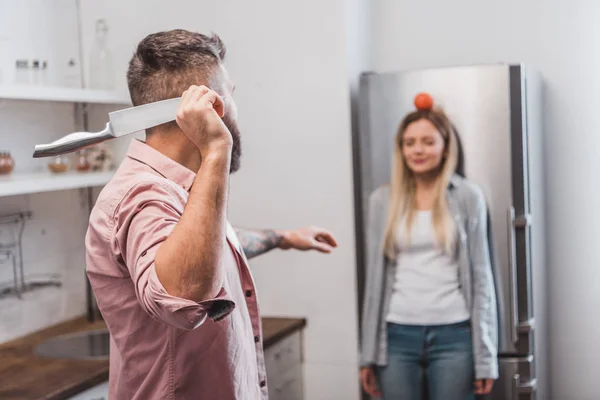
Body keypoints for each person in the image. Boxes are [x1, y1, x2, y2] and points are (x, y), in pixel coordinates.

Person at [85, 30, 338, 400]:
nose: (235, 108)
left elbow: (214, 245)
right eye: (230, 95)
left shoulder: (182, 192)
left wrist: (284, 238)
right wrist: (218, 149)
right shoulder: (141, 196)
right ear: (211, 110)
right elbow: (184, 294)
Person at [358, 95, 498, 400]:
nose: (417, 150)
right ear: (401, 149)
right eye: (409, 143)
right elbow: (374, 284)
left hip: (455, 335)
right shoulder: (382, 201)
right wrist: (367, 354)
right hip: (395, 336)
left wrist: (485, 358)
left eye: (427, 141)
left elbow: (481, 277)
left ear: (445, 147)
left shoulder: (467, 197)